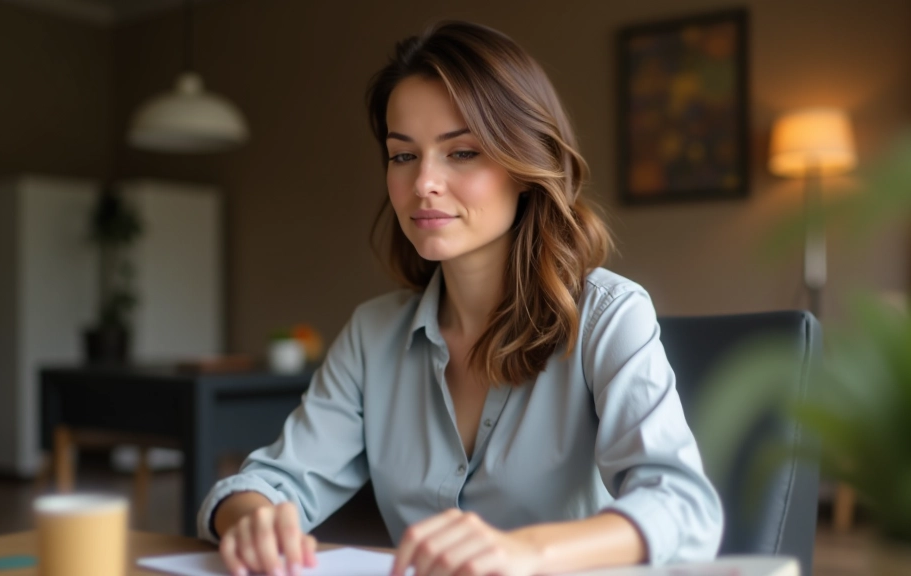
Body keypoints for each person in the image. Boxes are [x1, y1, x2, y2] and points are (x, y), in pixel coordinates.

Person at [198, 20, 723, 576]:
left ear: (525, 166)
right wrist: (251, 517)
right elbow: (273, 481)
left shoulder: (609, 316)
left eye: (463, 152)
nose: (424, 182)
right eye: (403, 156)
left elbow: (683, 507)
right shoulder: (372, 334)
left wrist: (526, 551)